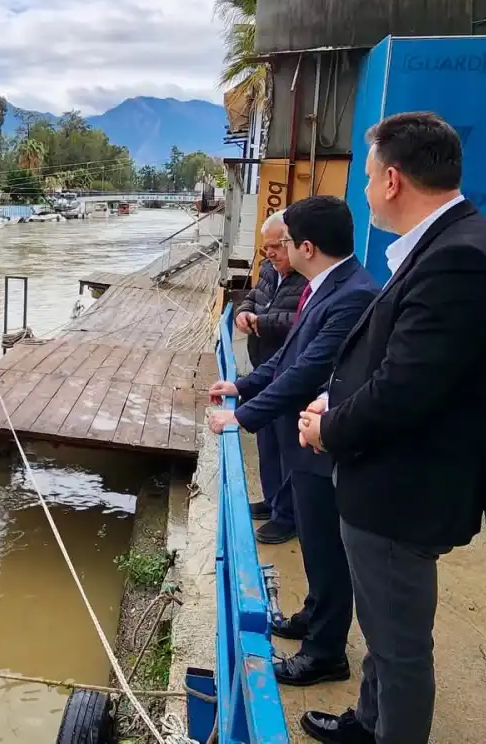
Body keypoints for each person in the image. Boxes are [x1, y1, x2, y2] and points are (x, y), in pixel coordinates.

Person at [297, 111, 486, 744]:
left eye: (367, 177)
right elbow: (397, 362)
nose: (363, 191)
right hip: (391, 479)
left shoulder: (460, 259)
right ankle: (367, 723)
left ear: (392, 179)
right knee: (383, 623)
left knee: (399, 650)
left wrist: (327, 428)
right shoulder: (445, 244)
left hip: (404, 490)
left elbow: (405, 391)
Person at [208, 195, 378, 685]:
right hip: (309, 442)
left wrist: (243, 419)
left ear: (306, 246)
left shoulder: (351, 295)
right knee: (317, 546)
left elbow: (307, 371)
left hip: (325, 441)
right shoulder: (326, 286)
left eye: (283, 243)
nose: (276, 252)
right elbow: (289, 360)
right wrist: (242, 386)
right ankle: (314, 616)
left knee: (327, 548)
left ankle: (325, 652)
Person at [233, 211, 308, 541]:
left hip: (290, 371)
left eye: (275, 247)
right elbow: (252, 298)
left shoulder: (307, 279)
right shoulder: (267, 269)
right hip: (264, 367)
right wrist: (243, 313)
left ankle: (288, 516)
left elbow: (302, 321)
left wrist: (263, 322)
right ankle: (273, 499)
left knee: (288, 444)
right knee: (267, 444)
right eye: (265, 249)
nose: (269, 255)